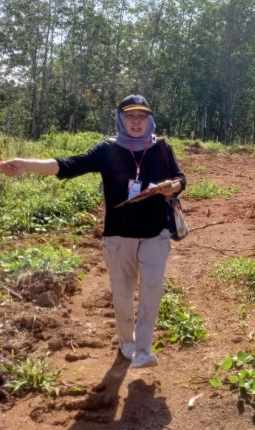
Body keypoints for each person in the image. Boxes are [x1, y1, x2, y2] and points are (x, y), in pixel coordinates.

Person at [0, 95, 186, 369]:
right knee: (122, 292)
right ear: (121, 119)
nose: (136, 122)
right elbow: (68, 165)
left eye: (142, 117)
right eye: (130, 117)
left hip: (155, 233)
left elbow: (180, 177)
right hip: (118, 235)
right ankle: (127, 343)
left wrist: (175, 186)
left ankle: (144, 350)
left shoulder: (161, 147)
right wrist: (26, 164)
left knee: (152, 289)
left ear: (149, 120)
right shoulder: (107, 150)